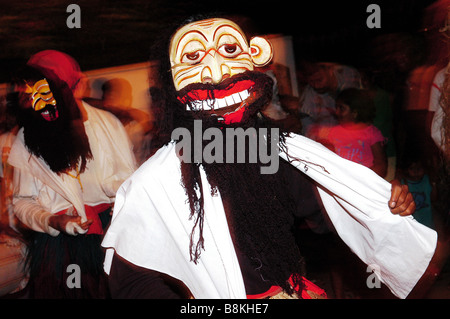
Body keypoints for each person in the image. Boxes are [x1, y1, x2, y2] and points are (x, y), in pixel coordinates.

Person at [101, 16, 436, 299]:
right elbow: (130, 276)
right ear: (173, 86)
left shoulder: (277, 151)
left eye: (229, 50)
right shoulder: (156, 182)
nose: (216, 72)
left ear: (253, 58)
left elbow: (327, 210)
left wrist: (380, 202)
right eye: (193, 59)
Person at [7, 50, 136, 298]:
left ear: (77, 86)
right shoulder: (28, 136)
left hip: (109, 238)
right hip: (56, 251)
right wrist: (52, 221)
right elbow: (22, 203)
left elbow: (130, 182)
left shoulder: (108, 124)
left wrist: (115, 191)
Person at [326, 88, 387, 177]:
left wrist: (363, 178)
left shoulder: (371, 133)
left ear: (355, 112)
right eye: (336, 107)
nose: (337, 112)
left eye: (342, 108)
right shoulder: (333, 132)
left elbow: (381, 166)